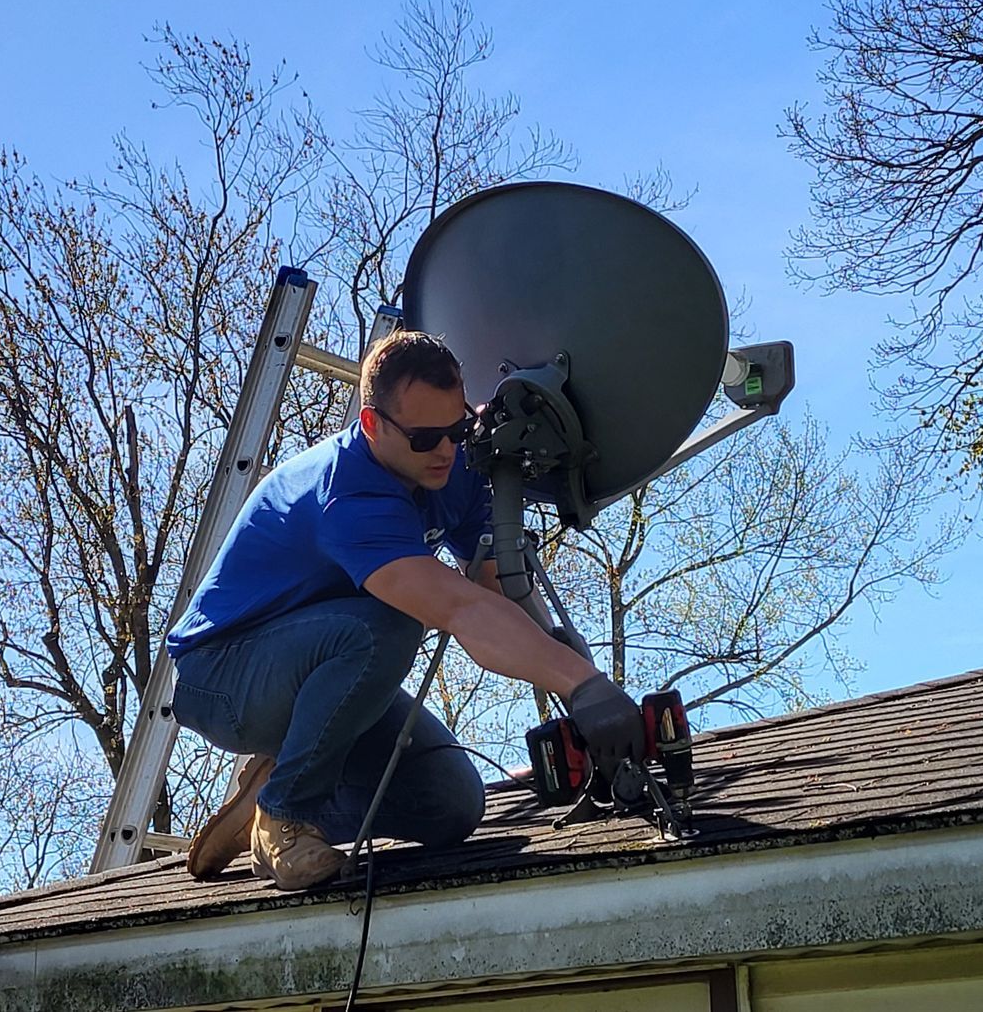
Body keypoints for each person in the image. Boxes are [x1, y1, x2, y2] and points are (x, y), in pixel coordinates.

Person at [167, 330, 645, 891]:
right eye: (424, 438)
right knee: (389, 627)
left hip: (329, 670)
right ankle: (286, 816)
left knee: (449, 806)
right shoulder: (350, 496)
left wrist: (570, 678)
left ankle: (267, 805)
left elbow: (494, 589)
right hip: (223, 680)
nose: (446, 450)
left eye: (458, 429)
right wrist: (583, 685)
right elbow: (458, 607)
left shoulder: (453, 470)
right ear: (373, 426)